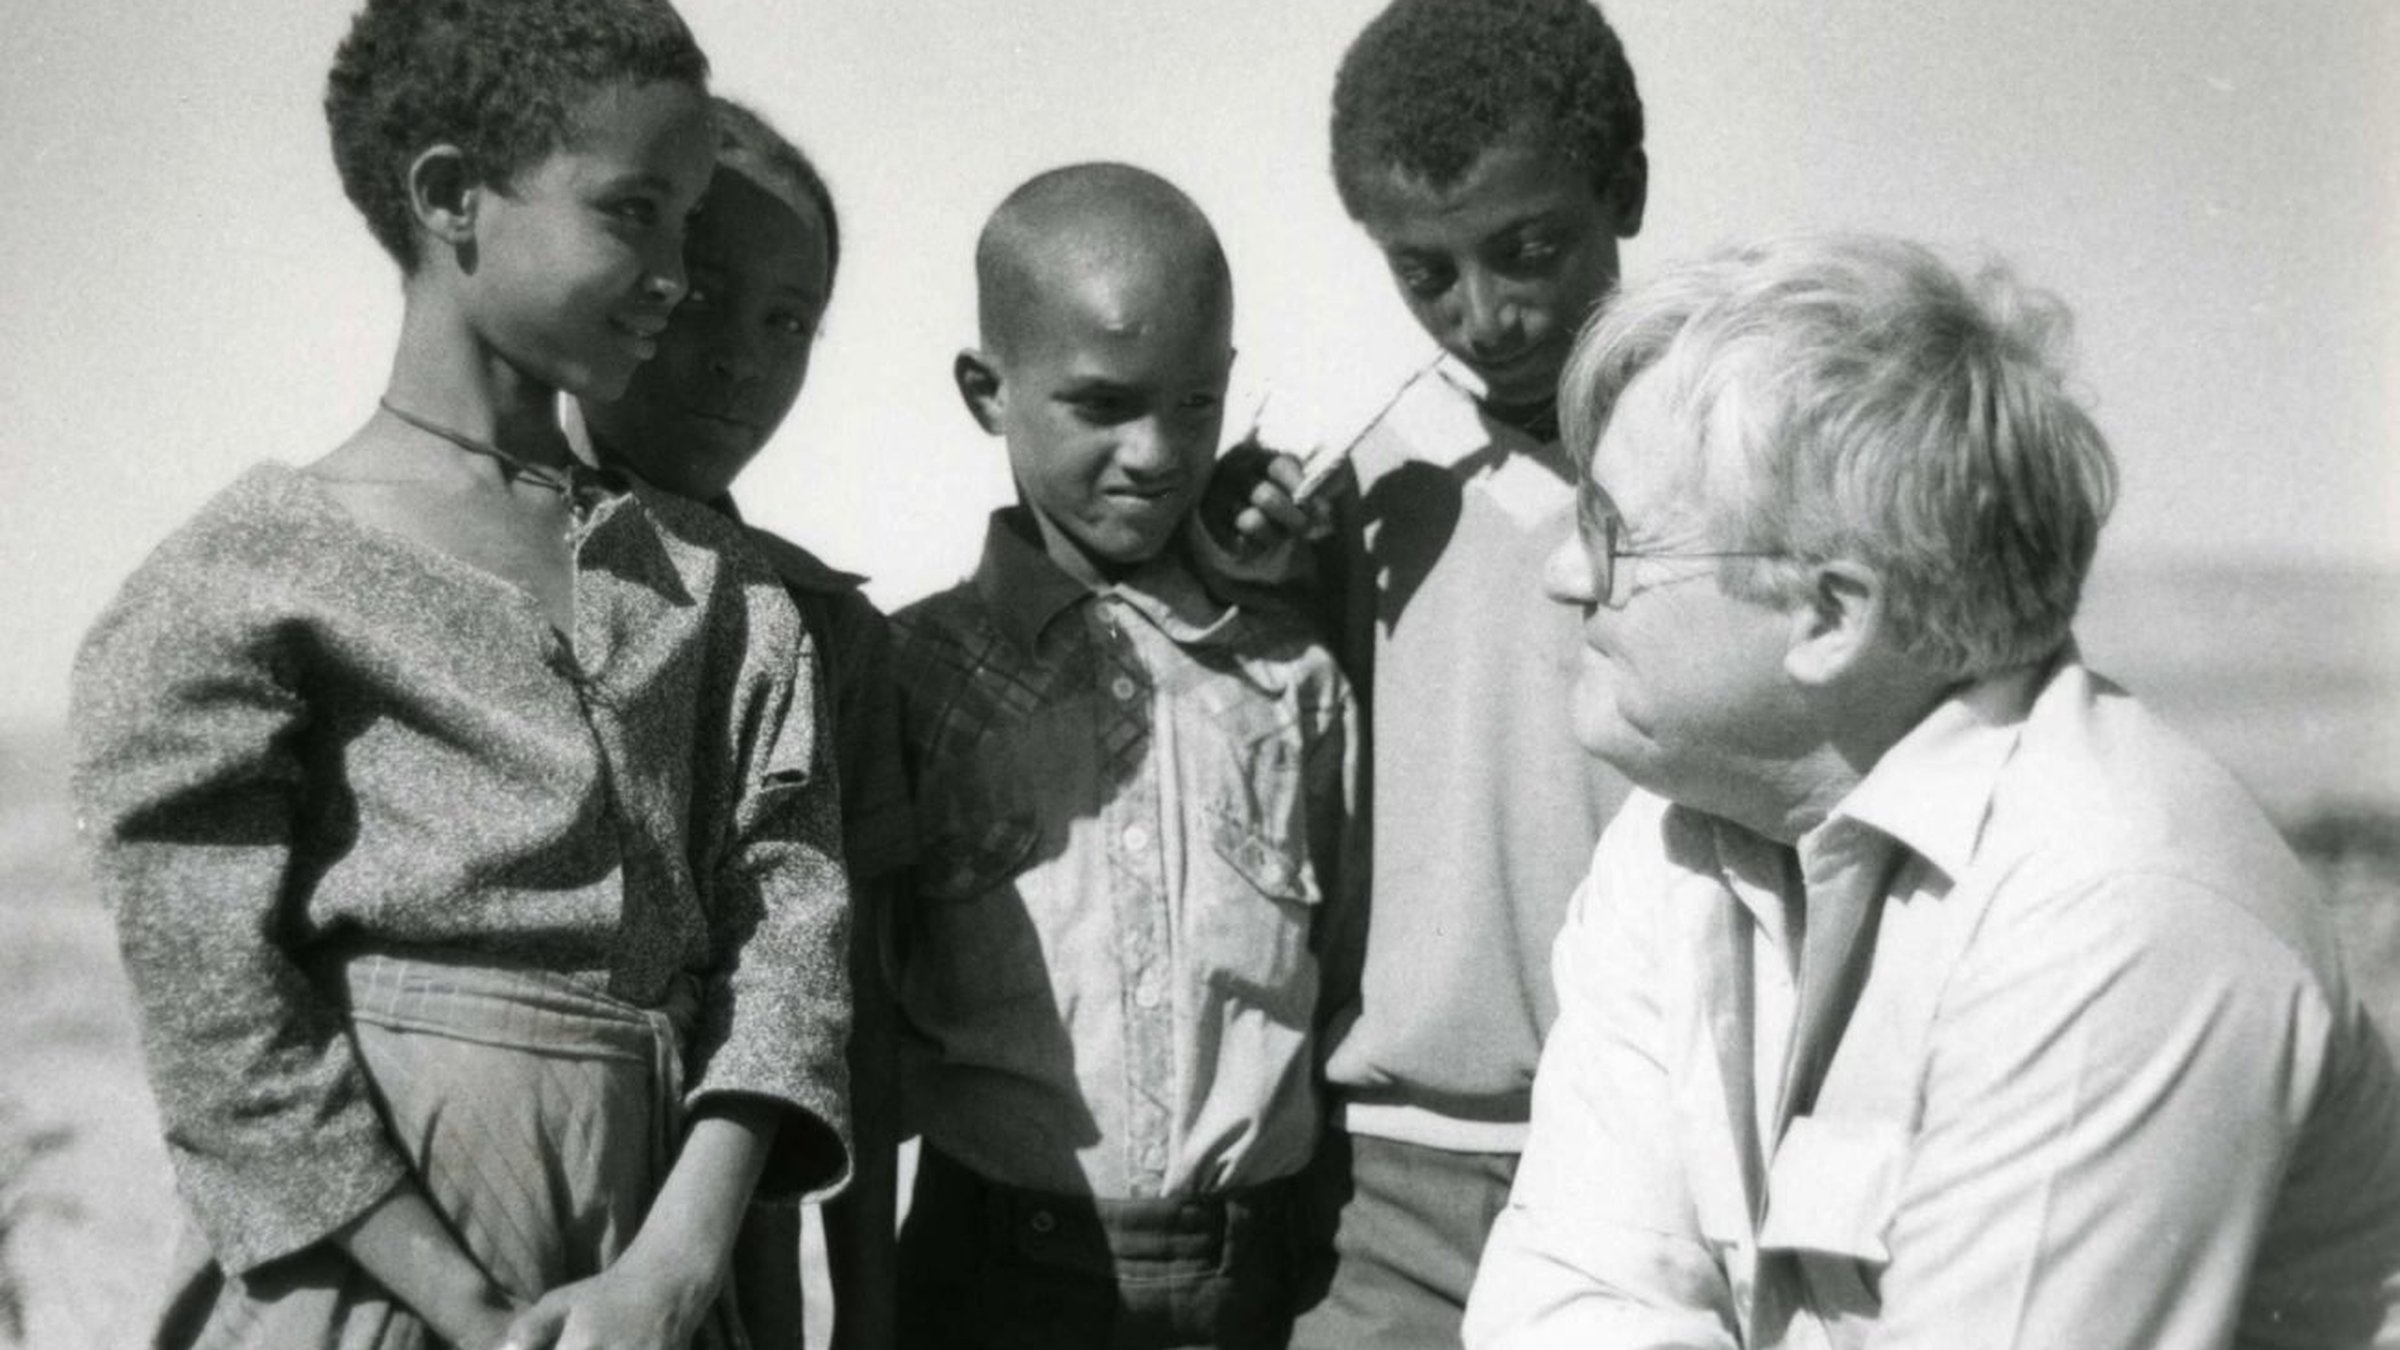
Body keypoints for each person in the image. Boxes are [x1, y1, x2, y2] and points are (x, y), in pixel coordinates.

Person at [70, 5, 855, 1348]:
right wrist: (472, 1311)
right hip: (371, 1271)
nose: (674, 276)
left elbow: (788, 943)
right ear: (450, 197)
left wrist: (672, 1271)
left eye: (687, 226)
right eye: (635, 214)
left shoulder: (722, 586)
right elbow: (222, 1023)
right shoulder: (246, 579)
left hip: (651, 1275)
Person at [1463, 233, 2400, 1348]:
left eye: (1613, 535)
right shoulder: (1684, 833)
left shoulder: (2111, 911)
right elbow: (1566, 1302)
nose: (1566, 575)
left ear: (1830, 616)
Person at [1212, 3, 1648, 1345]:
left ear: (1624, 190)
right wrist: (1242, 563)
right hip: (1390, 1182)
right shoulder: (1364, 479)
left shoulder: (1732, 451)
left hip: (1653, 1160)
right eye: (1426, 273)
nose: (1485, 313)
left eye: (1528, 250)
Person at [888, 163, 1359, 1349]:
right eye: (1102, 406)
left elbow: (1341, 976)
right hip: (994, 1276)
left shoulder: (1289, 674)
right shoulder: (908, 677)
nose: (1154, 452)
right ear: (987, 392)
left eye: (1194, 405)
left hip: (1255, 1277)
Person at [574, 96, 904, 1350]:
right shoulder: (490, 558)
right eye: (702, 298)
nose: (740, 360)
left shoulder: (822, 630)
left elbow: (848, 1006)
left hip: (722, 1261)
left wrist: (866, 1318)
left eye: (788, 322)